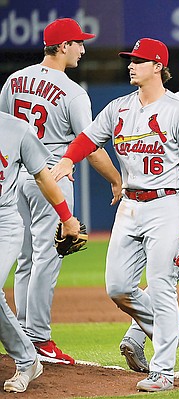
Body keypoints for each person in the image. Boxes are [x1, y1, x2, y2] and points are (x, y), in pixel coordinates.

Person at [51, 38, 179, 392]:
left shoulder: (177, 110)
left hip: (169, 204)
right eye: (130, 60)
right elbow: (89, 139)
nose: (130, 65)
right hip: (131, 204)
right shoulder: (119, 107)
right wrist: (66, 160)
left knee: (162, 285)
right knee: (118, 287)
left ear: (158, 66)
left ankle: (163, 371)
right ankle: (169, 329)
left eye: (138, 60)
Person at [0, 18, 122, 365]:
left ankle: (22, 335)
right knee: (47, 258)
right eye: (78, 43)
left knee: (26, 259)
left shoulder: (14, 80)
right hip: (51, 177)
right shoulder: (72, 92)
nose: (83, 49)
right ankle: (38, 337)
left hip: (14, 178)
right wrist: (115, 179)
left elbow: (5, 130)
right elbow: (92, 147)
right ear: (63, 46)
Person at [0, 112, 80, 392]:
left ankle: (27, 361)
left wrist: (67, 218)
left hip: (4, 222)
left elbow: (44, 177)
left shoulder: (16, 129)